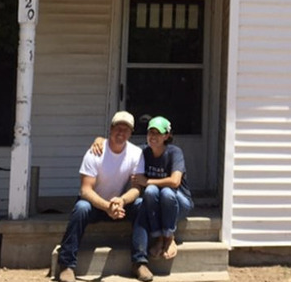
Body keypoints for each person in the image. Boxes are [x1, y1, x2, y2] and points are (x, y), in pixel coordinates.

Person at [57, 111, 153, 282]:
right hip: (95, 204)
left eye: (126, 129)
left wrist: (121, 201)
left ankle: (139, 262)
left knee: (141, 204)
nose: (121, 133)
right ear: (110, 129)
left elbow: (137, 188)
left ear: (131, 133)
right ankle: (66, 265)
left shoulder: (136, 153)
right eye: (118, 128)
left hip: (119, 205)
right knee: (81, 208)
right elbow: (85, 190)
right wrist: (107, 206)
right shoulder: (95, 151)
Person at [91, 116, 193, 260]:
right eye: (150, 132)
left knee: (166, 192)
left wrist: (147, 181)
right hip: (158, 205)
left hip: (179, 203)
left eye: (158, 133)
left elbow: (175, 181)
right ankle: (158, 238)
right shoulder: (143, 151)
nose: (153, 136)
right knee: (150, 192)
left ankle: (169, 237)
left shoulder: (174, 152)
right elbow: (121, 144)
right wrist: (100, 140)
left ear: (167, 135)